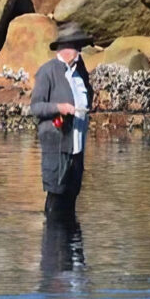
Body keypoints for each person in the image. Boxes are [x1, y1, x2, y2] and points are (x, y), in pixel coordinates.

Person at [30, 22, 95, 218]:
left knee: (72, 195)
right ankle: (52, 243)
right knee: (56, 197)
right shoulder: (47, 72)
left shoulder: (80, 71)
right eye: (78, 47)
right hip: (56, 144)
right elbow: (35, 108)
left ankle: (71, 247)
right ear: (66, 49)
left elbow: (87, 97)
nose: (80, 52)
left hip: (77, 146)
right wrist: (60, 108)